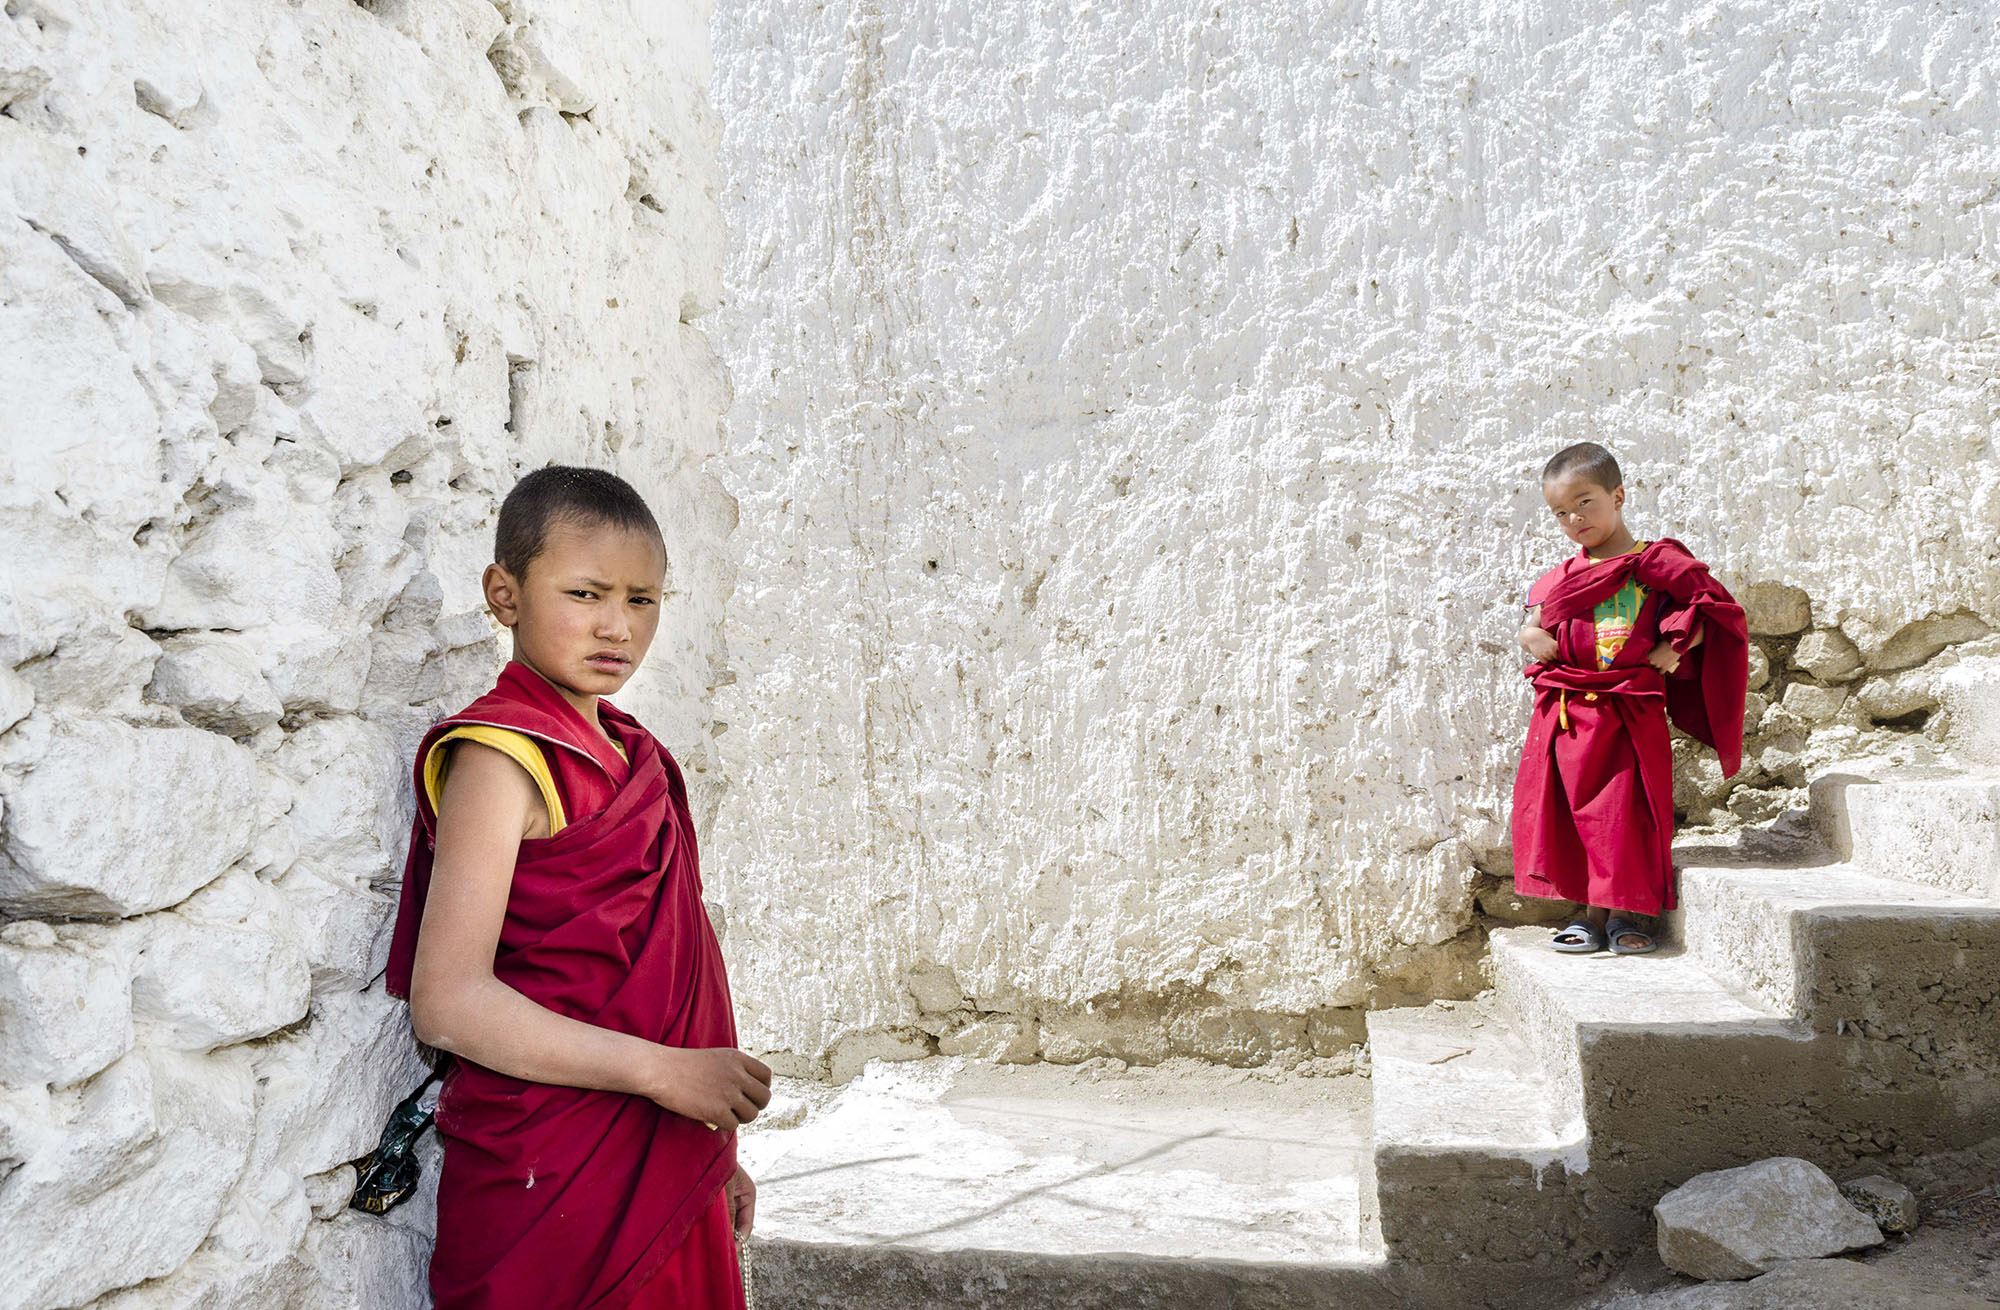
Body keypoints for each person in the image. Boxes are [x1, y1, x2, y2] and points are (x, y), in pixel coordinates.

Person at [384, 465, 771, 1308]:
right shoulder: (500, 758)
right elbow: (446, 1002)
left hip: (661, 1147)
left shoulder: (639, 759)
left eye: (643, 600)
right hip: (550, 1166)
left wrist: (716, 1148)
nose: (617, 627)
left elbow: (679, 962)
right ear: (504, 593)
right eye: (587, 593)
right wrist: (664, 1075)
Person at [1510, 443, 1749, 955]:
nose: (1574, 518)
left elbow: (1714, 613)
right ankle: (1591, 915)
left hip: (1632, 710)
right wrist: (1532, 637)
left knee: (1628, 814)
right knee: (1578, 815)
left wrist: (1676, 645)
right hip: (1570, 714)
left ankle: (1628, 914)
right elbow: (1534, 624)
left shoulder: (1658, 564)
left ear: (1618, 496)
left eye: (1585, 502)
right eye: (1560, 511)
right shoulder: (1560, 577)